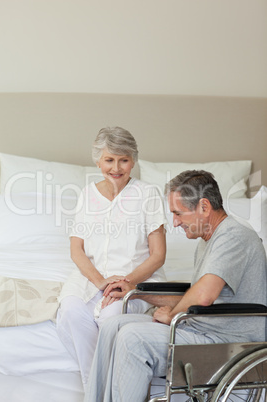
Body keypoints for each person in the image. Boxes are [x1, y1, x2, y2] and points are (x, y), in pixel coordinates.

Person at [84, 170, 267, 402]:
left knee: (133, 338)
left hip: (228, 341)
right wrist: (135, 292)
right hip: (202, 328)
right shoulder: (208, 240)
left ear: (204, 207)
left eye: (178, 213)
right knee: (113, 326)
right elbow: (192, 296)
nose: (175, 222)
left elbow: (202, 296)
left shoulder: (234, 236)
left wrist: (171, 315)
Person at [56, 126, 167, 385]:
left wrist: (125, 282)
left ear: (133, 161)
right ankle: (100, 388)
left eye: (124, 160)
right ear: (98, 161)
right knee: (71, 311)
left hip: (137, 278)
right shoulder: (87, 195)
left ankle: (102, 389)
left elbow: (158, 255)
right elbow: (76, 249)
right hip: (92, 277)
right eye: (109, 160)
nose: (116, 167)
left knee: (110, 318)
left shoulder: (147, 194)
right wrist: (100, 282)